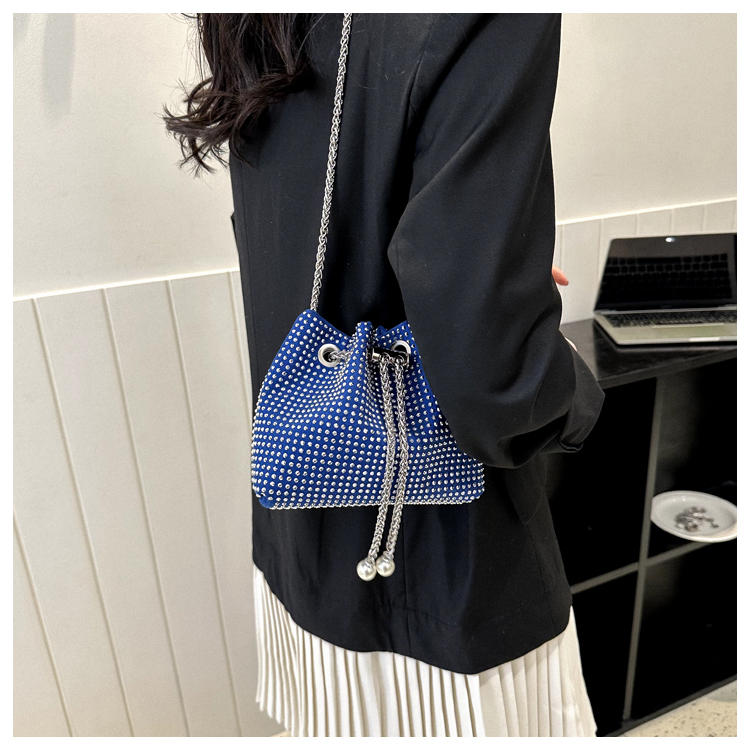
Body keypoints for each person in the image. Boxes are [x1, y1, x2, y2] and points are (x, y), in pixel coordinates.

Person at [164, 12, 606, 737]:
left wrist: (481, 275)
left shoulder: (261, 19)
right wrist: (576, 391)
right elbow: (499, 383)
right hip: (450, 586)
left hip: (304, 546)